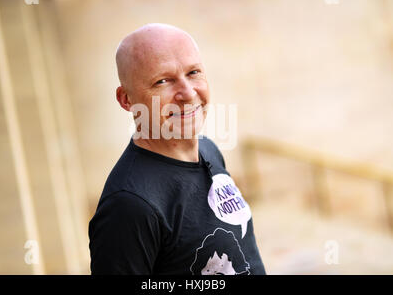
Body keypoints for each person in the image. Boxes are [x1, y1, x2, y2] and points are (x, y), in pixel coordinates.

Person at [88, 23, 266, 275]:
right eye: (162, 81)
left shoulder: (209, 150)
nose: (188, 92)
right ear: (125, 99)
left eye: (194, 73)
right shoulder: (129, 205)